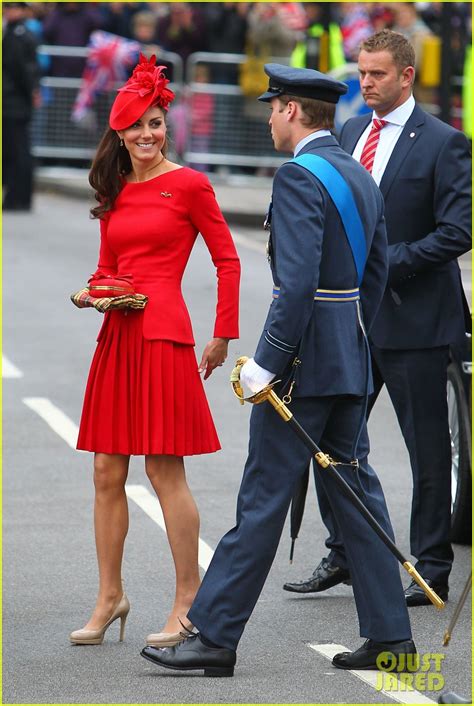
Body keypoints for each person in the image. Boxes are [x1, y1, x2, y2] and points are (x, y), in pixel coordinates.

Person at [140, 63, 415, 677]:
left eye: (273, 108)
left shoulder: (298, 178)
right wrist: (349, 345)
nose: (268, 118)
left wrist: (266, 363)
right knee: (354, 494)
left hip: (301, 367)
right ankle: (391, 636)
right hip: (347, 359)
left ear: (293, 111)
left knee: (263, 498)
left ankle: (212, 635)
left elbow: (294, 288)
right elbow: (373, 280)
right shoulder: (359, 175)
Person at [284, 30, 471, 606]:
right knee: (327, 438)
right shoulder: (347, 132)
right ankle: (343, 551)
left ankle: (432, 566)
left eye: (378, 74)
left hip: (417, 322)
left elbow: (457, 232)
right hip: (354, 323)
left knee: (427, 451)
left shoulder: (445, 143)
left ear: (407, 75)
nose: (365, 83)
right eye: (361, 73)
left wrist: (388, 263)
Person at [69, 54, 240, 647]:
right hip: (117, 337)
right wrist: (95, 293)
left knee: (164, 469)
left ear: (168, 126)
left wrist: (223, 333)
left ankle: (187, 600)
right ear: (118, 132)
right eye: (136, 126)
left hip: (165, 334)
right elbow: (106, 266)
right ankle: (110, 596)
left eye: (156, 123)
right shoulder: (113, 191)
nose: (147, 135)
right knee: (104, 470)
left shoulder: (190, 184)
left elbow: (227, 259)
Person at [2, 1, 41, 212]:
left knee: (16, 151)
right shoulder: (18, 32)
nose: (8, 11)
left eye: (12, 7)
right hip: (15, 100)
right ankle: (18, 197)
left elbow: (23, 70)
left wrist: (31, 91)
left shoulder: (18, 35)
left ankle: (18, 197)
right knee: (18, 149)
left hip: (13, 102)